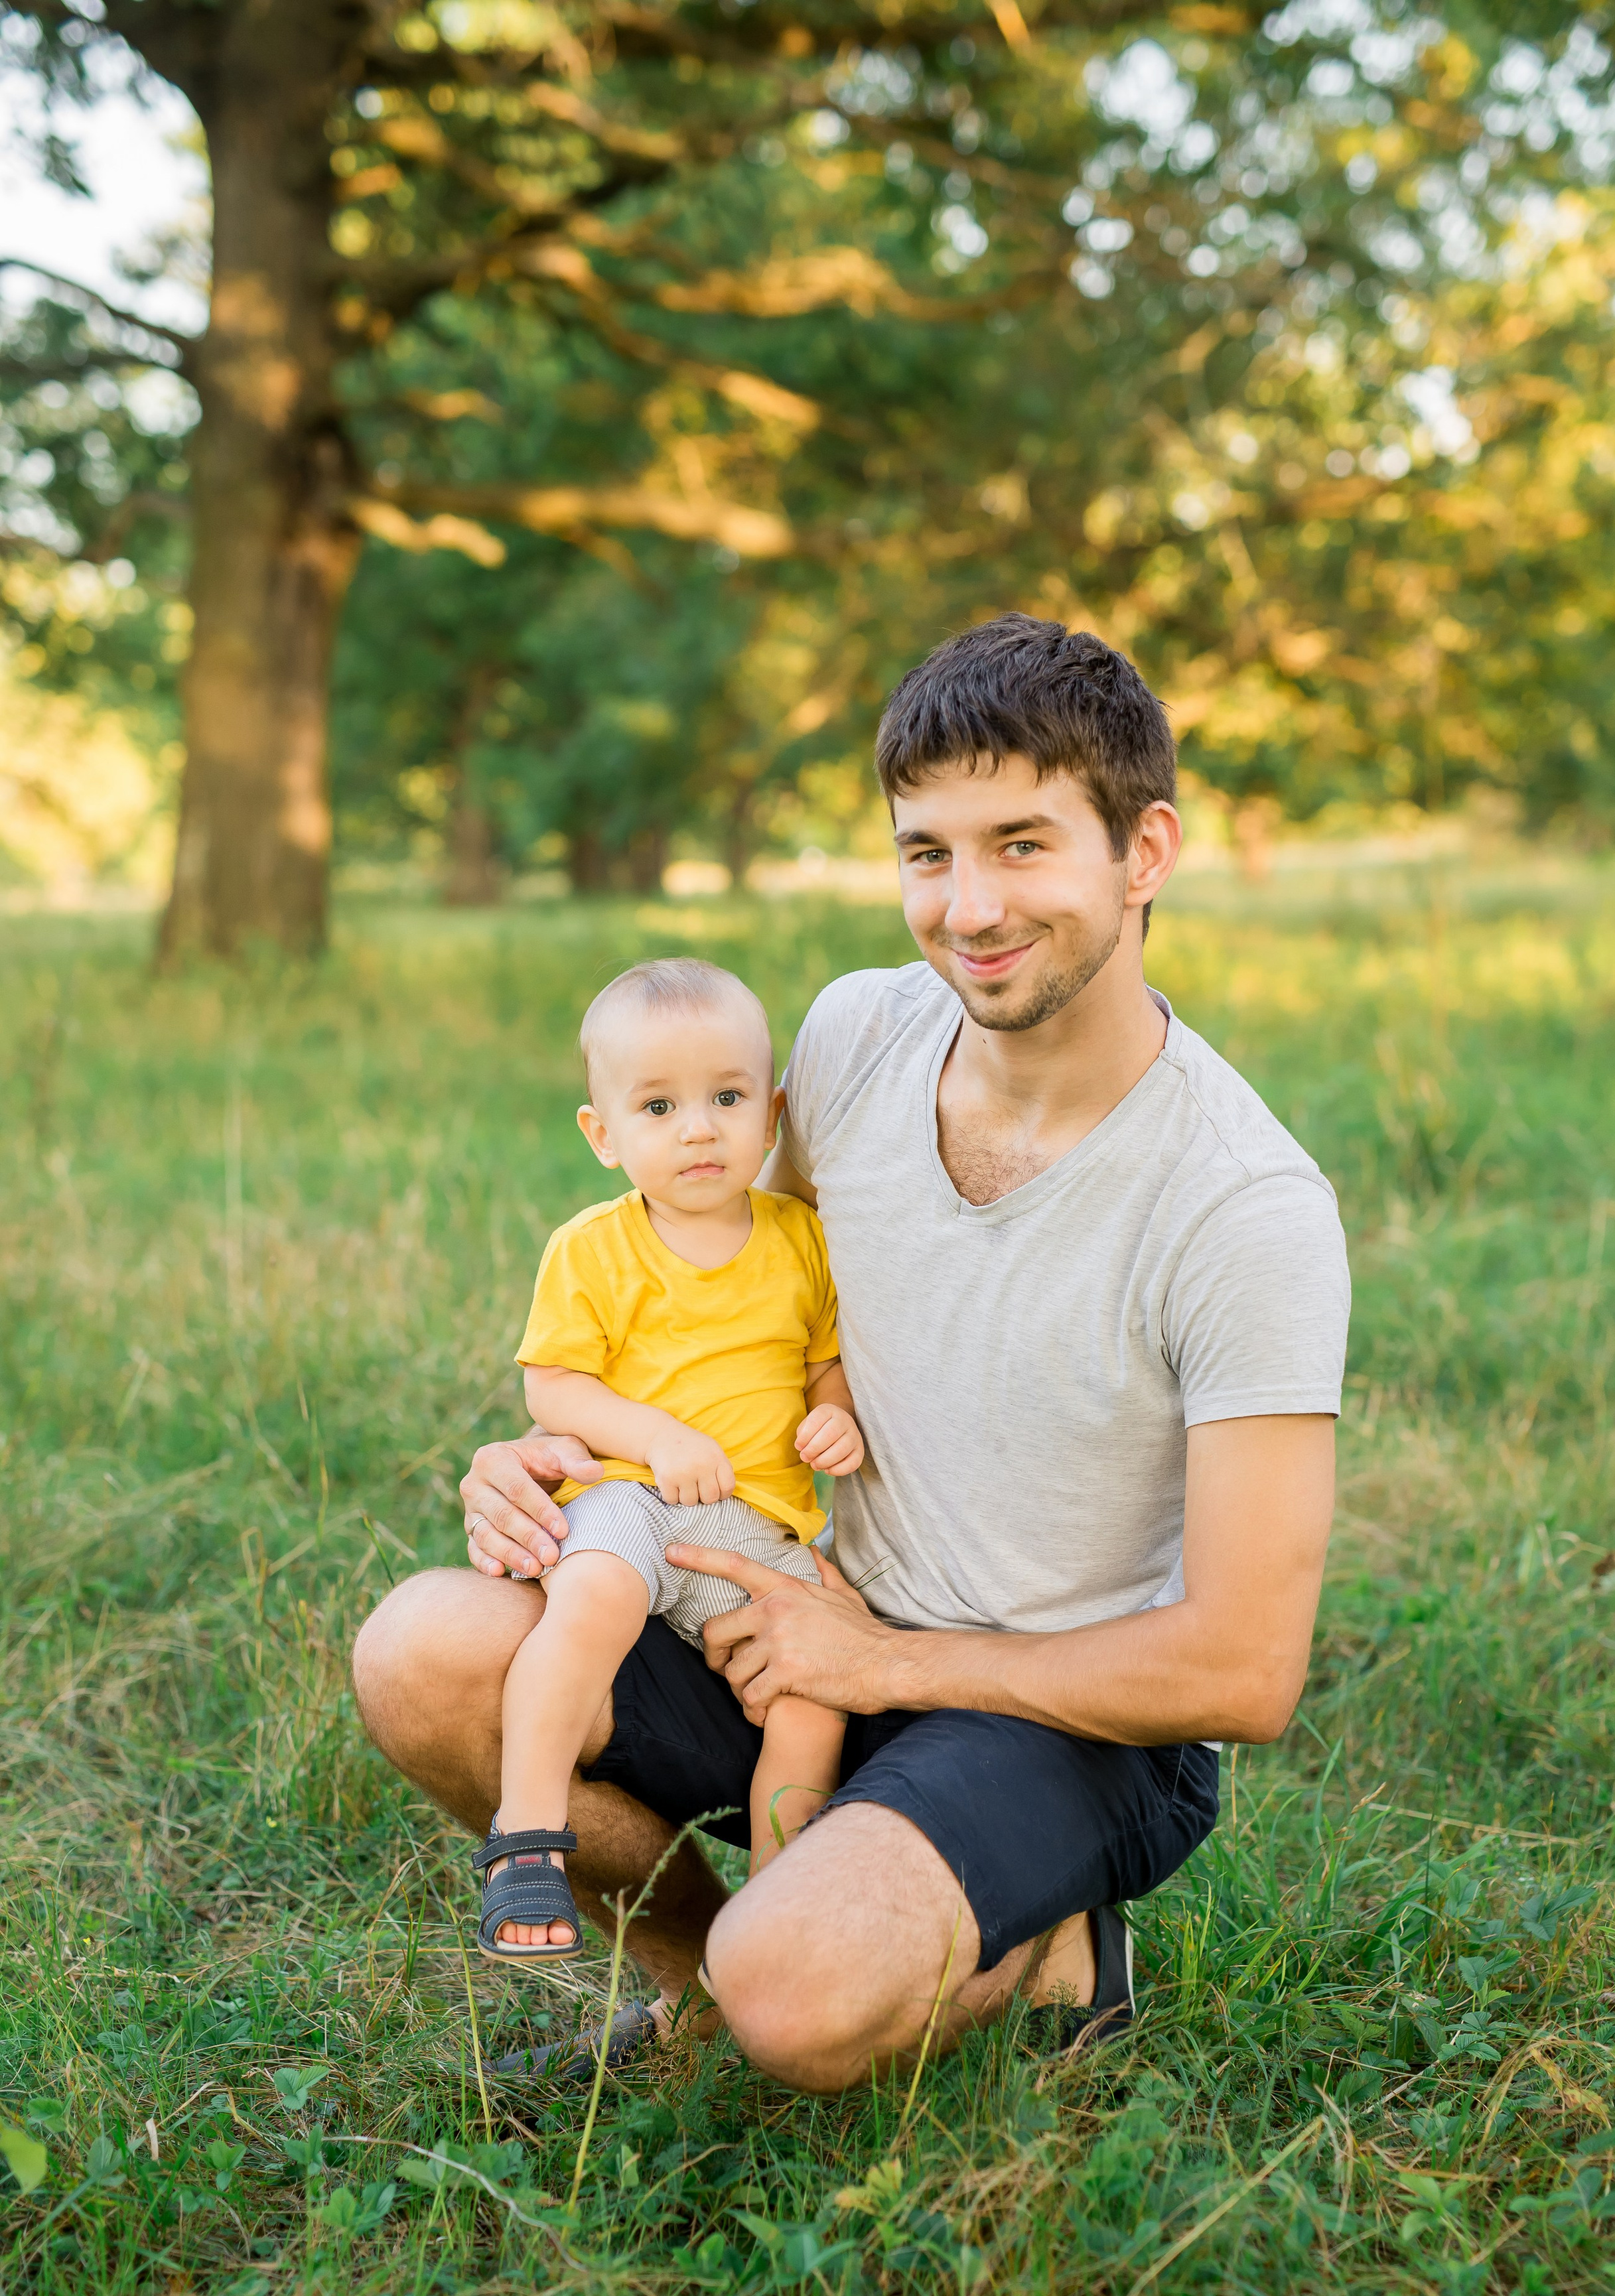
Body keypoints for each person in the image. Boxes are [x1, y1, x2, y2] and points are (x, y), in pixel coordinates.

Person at [354, 612, 1350, 2092]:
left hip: (1068, 1704)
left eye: (1021, 845)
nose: (966, 908)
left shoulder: (1242, 1208)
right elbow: (746, 1311)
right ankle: (704, 1982)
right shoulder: (850, 1038)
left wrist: (883, 1657)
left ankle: (1059, 1937)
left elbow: (1245, 1668)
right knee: (424, 1656)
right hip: (793, 1611)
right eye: (925, 853)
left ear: (1143, 853)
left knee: (808, 1990)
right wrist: (561, 1453)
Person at [475, 957, 864, 1965]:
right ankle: (526, 1836)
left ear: (772, 1116)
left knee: (816, 1694)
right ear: (603, 1135)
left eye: (727, 1098)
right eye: (658, 1106)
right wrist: (656, 1438)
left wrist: (836, 1420)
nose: (699, 1128)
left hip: (754, 1527)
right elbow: (553, 1389)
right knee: (593, 1594)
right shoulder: (593, 1250)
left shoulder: (801, 1239)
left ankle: (774, 1920)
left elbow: (824, 1365)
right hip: (635, 1497)